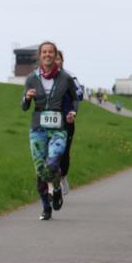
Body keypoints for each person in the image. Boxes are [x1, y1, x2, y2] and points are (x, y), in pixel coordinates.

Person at [21, 41, 79, 220]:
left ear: (55, 55)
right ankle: (46, 207)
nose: (47, 55)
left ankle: (57, 188)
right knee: (40, 170)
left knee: (52, 163)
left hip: (58, 128)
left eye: (50, 52)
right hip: (37, 128)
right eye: (44, 52)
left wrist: (72, 112)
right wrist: (27, 97)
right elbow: (24, 106)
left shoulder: (65, 78)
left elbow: (75, 98)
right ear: (40, 56)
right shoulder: (31, 78)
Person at [55, 50, 83, 195]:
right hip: (49, 119)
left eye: (58, 59)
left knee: (64, 152)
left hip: (66, 118)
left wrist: (73, 112)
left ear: (62, 61)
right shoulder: (42, 77)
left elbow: (79, 94)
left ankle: (63, 176)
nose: (55, 61)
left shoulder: (70, 76)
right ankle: (50, 183)